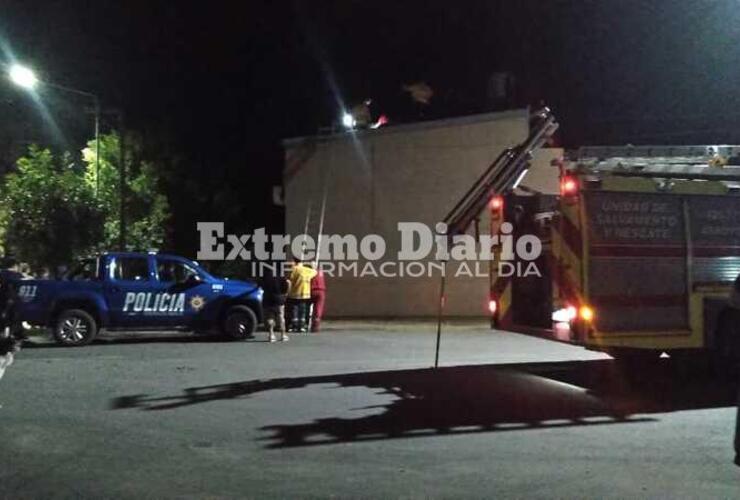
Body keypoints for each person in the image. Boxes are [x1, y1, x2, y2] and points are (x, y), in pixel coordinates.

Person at [287, 258, 317, 333]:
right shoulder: (307, 270)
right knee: (303, 310)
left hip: (295, 293)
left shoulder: (294, 269)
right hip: (305, 294)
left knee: (295, 309)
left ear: (295, 262)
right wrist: (311, 265)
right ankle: (302, 326)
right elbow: (315, 272)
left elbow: (290, 279)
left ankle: (295, 326)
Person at [261, 265, 289, 343]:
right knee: (280, 316)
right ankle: (283, 335)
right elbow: (286, 285)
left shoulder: (265, 277)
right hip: (279, 298)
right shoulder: (280, 276)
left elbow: (262, 286)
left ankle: (271, 335)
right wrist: (285, 294)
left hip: (267, 298)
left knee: (270, 317)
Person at [310, 268, 326, 333]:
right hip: (321, 291)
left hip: (312, 290)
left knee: (308, 307)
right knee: (318, 308)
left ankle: (308, 323)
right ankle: (316, 325)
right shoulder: (320, 272)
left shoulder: (309, 272)